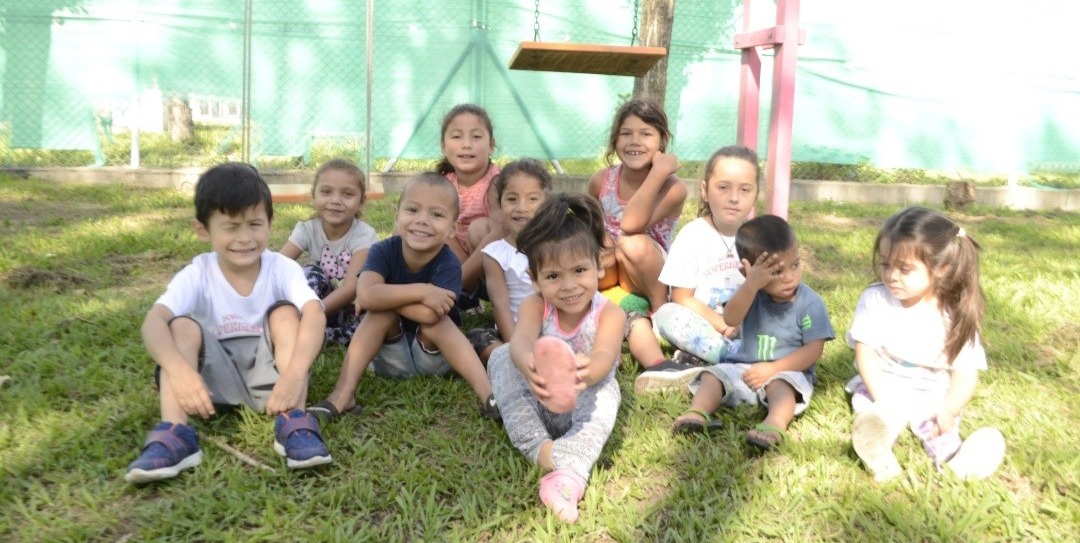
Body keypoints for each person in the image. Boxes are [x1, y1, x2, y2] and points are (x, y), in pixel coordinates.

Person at [125, 163, 331, 484]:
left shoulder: (282, 268)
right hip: (211, 388)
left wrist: (294, 374)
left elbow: (315, 313)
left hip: (275, 383)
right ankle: (176, 433)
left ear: (270, 222)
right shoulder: (198, 272)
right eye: (231, 227)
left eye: (254, 224)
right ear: (202, 229)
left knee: (286, 315)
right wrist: (180, 372)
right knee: (180, 327)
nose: (244, 238)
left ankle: (295, 422)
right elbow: (153, 322)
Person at [310, 172, 500, 422]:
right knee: (379, 315)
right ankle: (343, 395)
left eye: (436, 215)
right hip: (389, 358)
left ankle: (489, 396)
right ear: (396, 215)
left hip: (433, 357)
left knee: (437, 323)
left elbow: (429, 314)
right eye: (412, 210)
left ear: (453, 228)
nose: (422, 221)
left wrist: (385, 296)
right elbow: (365, 294)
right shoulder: (382, 251)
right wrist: (423, 291)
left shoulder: (449, 263)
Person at [486, 193, 626, 523]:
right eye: (553, 276)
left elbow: (604, 356)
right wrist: (527, 362)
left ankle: (569, 475)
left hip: (583, 402)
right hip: (537, 397)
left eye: (579, 270)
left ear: (599, 266)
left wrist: (588, 371)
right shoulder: (535, 305)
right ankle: (541, 450)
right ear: (534, 279)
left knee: (609, 390)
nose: (568, 286)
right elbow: (521, 340)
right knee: (502, 357)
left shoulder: (610, 313)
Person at [847, 206, 1005, 482]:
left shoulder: (955, 315)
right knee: (878, 417)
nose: (891, 276)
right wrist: (882, 398)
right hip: (882, 383)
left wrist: (949, 408)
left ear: (941, 268)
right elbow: (865, 354)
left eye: (905, 268)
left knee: (938, 427)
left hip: (931, 392)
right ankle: (878, 451)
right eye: (885, 264)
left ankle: (956, 461)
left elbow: (965, 373)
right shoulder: (875, 299)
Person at [671, 215, 835, 450]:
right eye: (776, 272)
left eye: (795, 265)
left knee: (784, 387)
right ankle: (697, 412)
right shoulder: (750, 293)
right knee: (712, 376)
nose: (789, 277)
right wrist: (750, 285)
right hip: (745, 370)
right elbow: (730, 319)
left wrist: (773, 369)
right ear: (748, 270)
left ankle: (775, 422)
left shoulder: (809, 302)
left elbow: (814, 350)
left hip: (787, 371)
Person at [635, 145, 759, 393]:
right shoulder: (693, 235)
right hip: (705, 324)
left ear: (756, 194)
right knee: (667, 315)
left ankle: (703, 361)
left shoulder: (761, 236)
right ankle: (738, 358)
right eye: (723, 187)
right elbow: (682, 297)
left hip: (749, 324)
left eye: (745, 189)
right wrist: (721, 324)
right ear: (704, 190)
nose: (734, 198)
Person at [587, 99, 687, 374]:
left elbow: (630, 224)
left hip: (646, 272)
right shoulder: (601, 181)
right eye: (626, 133)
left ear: (662, 140)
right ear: (614, 140)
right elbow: (589, 229)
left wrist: (658, 172)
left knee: (631, 243)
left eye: (646, 134)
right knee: (596, 245)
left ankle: (660, 311)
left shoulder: (673, 188)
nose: (635, 141)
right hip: (609, 268)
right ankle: (593, 308)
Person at [280, 159, 377, 345]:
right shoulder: (307, 229)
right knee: (309, 271)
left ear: (361, 201)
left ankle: (322, 333)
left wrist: (313, 312)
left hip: (355, 309)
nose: (335, 200)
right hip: (322, 304)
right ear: (313, 195)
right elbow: (277, 265)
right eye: (326, 192)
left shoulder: (364, 235)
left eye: (347, 194)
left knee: (375, 318)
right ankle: (302, 323)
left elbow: (351, 289)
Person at [466, 158, 552, 362]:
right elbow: (500, 307)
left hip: (556, 328)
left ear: (547, 202)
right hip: (515, 331)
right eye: (512, 199)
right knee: (477, 338)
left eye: (532, 199)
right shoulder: (495, 254)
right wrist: (518, 350)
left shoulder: (557, 246)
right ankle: (519, 359)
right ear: (500, 204)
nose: (522, 207)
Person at [437, 103, 504, 302]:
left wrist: (461, 277)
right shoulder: (442, 182)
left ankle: (470, 287)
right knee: (432, 225)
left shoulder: (496, 182)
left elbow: (501, 231)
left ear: (491, 145)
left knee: (478, 228)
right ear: (443, 146)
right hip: (457, 260)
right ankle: (466, 295)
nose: (466, 144)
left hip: (493, 268)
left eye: (476, 136)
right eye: (457, 136)